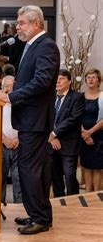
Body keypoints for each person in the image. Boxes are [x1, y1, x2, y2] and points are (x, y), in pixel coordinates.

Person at [0, 5, 60, 235]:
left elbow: (40, 82)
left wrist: (10, 96)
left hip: (35, 119)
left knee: (30, 169)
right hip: (30, 118)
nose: (17, 27)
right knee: (31, 168)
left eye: (21, 23)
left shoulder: (46, 46)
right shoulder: (33, 45)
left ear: (35, 23)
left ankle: (40, 218)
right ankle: (38, 213)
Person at [48, 69, 84, 197]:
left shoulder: (77, 97)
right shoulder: (50, 97)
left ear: (69, 81)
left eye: (62, 78)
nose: (58, 81)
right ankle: (59, 202)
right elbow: (45, 117)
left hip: (69, 145)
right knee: (55, 176)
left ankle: (73, 201)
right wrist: (51, 137)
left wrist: (55, 133)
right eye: (56, 78)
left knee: (69, 176)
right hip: (52, 144)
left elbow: (74, 119)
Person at [80, 69, 103, 193]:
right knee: (86, 166)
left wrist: (90, 132)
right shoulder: (80, 96)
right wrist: (84, 134)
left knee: (97, 167)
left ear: (98, 80)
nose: (91, 79)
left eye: (93, 77)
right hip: (83, 136)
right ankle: (88, 193)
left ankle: (96, 194)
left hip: (98, 136)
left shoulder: (102, 96)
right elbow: (76, 117)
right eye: (88, 77)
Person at [1, 76, 22, 203]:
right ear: (2, 88)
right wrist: (4, 139)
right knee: (0, 178)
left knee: (18, 178)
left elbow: (27, 123)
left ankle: (19, 206)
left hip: (19, 145)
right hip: (2, 145)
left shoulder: (21, 103)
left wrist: (18, 139)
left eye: (12, 86)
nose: (10, 89)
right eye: (7, 86)